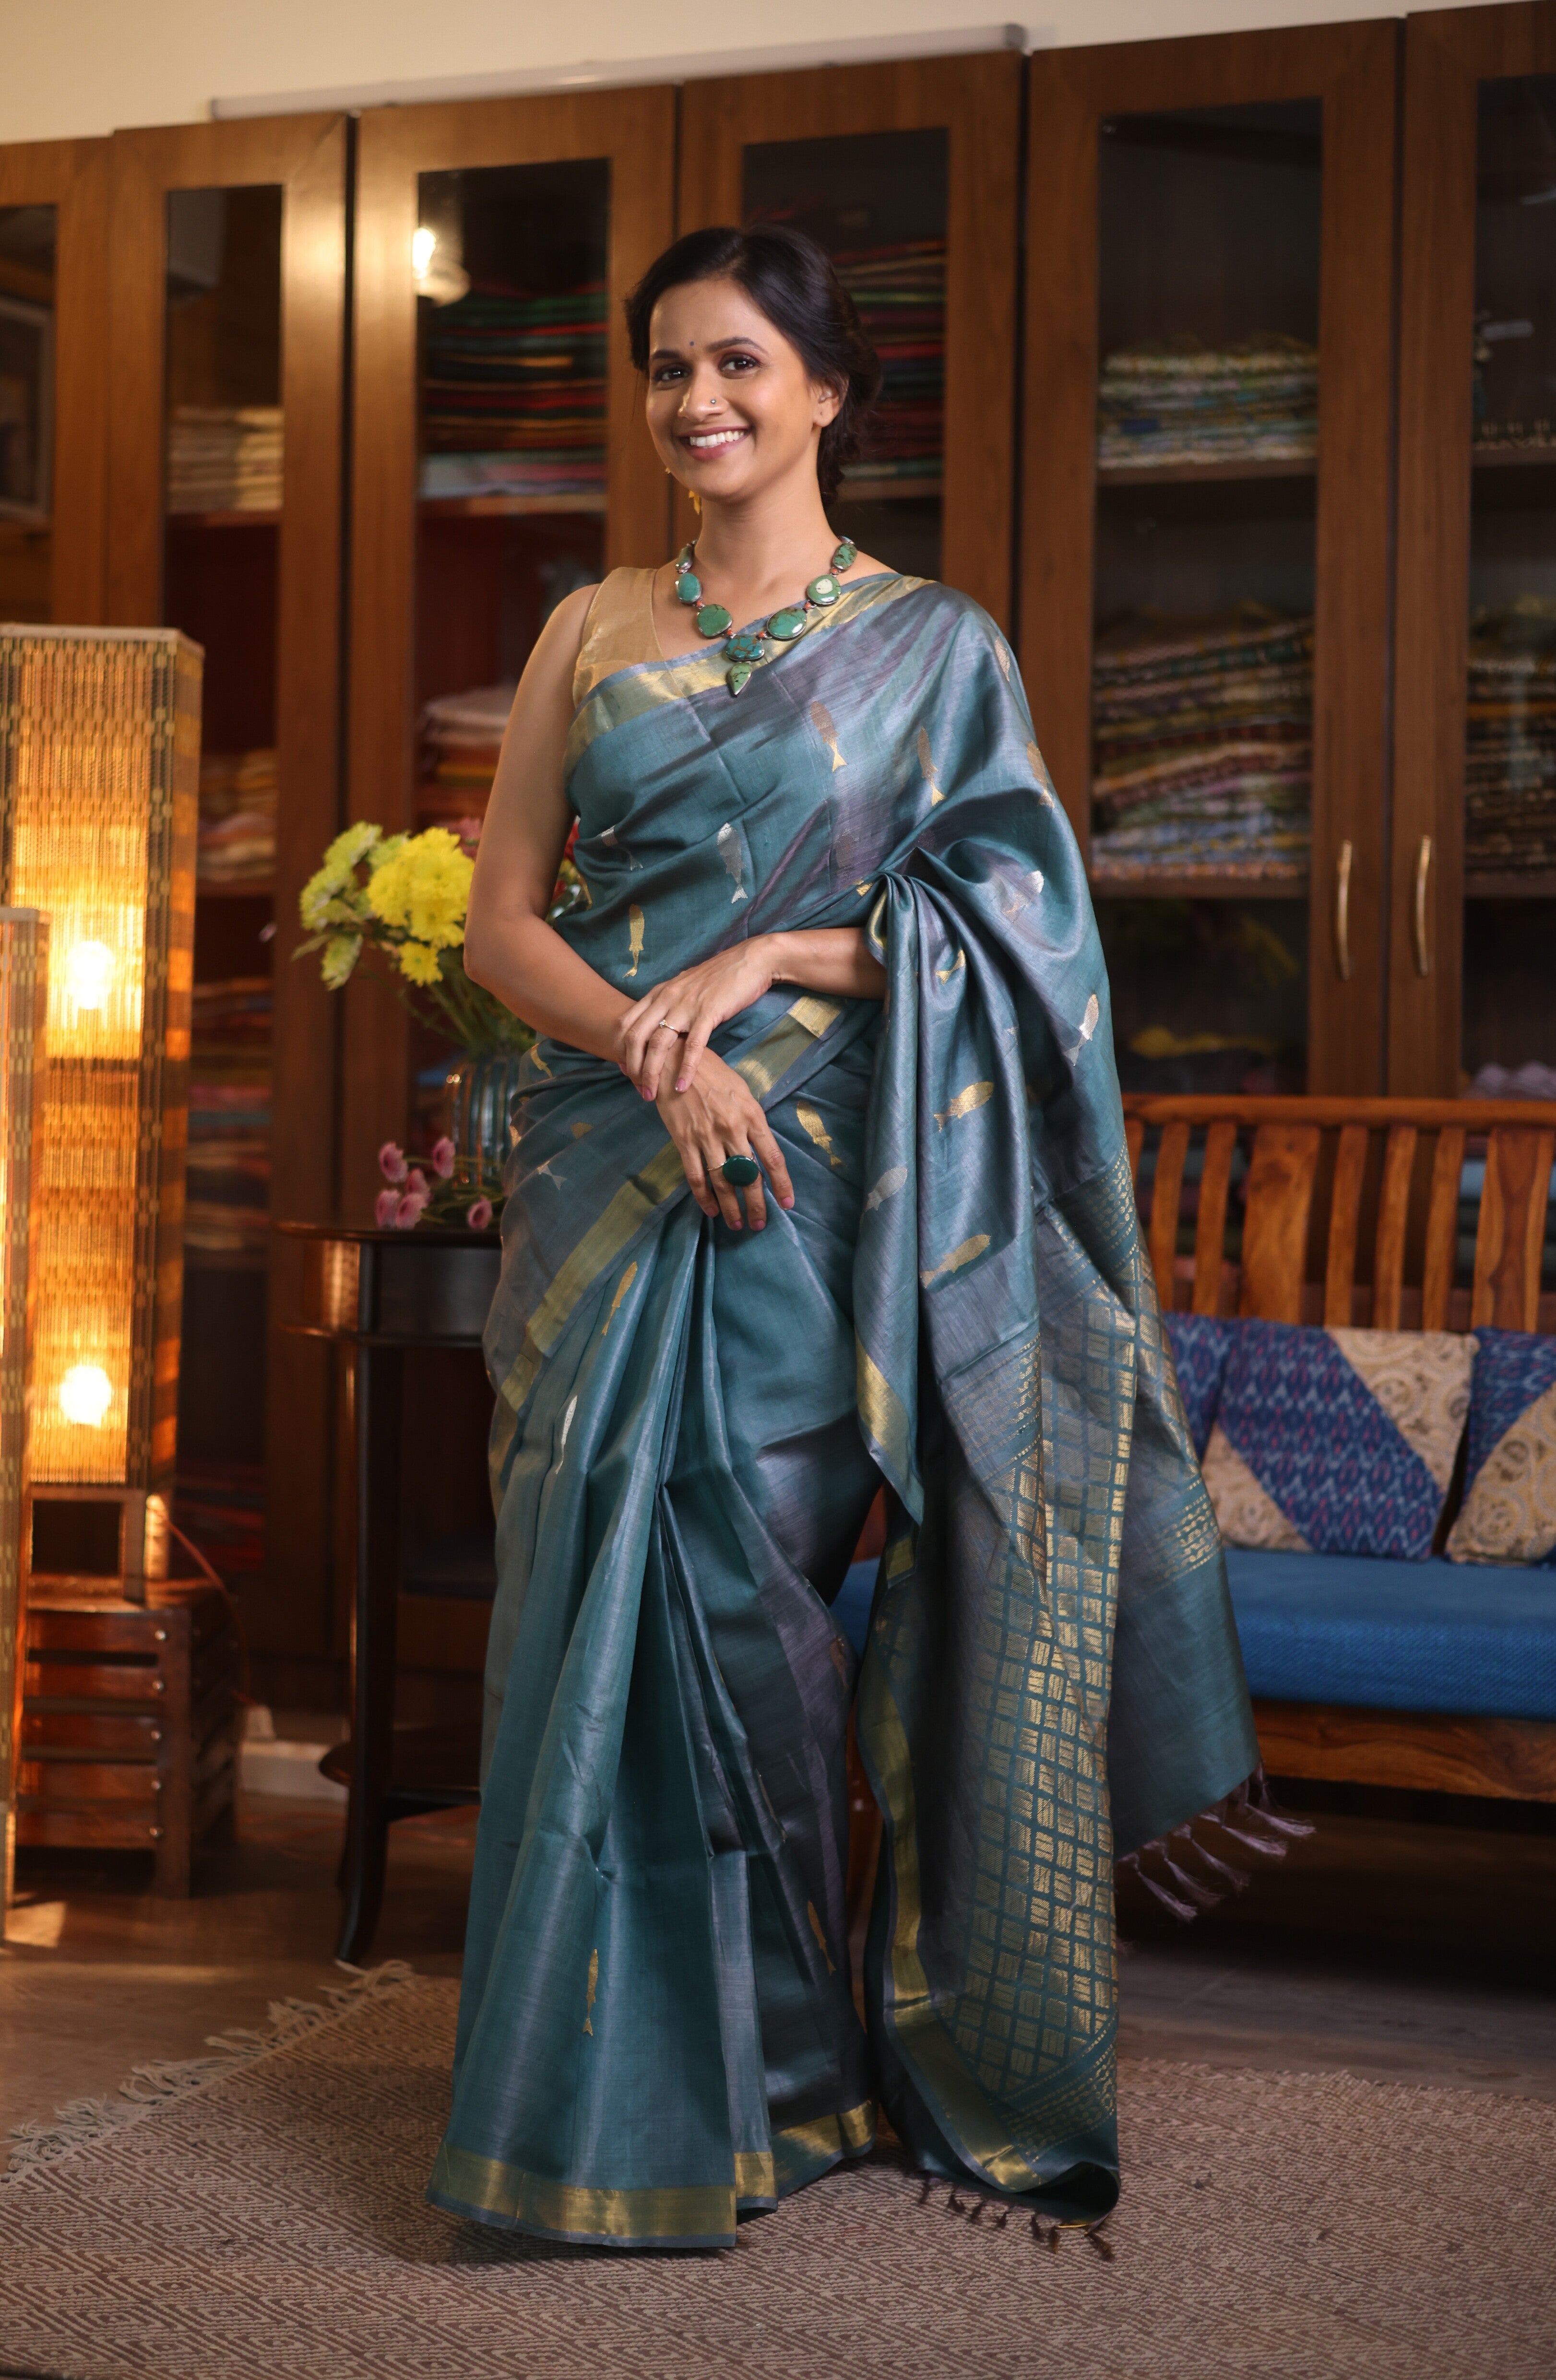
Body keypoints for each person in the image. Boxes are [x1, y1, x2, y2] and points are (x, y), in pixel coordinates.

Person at [427, 224, 1259, 2250]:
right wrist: (658, 1049)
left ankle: (780, 2077)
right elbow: (501, 922)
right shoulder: (587, 630)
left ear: (823, 390)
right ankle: (593, 2091)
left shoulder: (939, 648)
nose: (693, 398)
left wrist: (777, 955)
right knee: (576, 1606)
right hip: (605, 1180)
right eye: (664, 365)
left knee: (750, 1612)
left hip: (809, 1202)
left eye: (736, 361)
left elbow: (1023, 936)